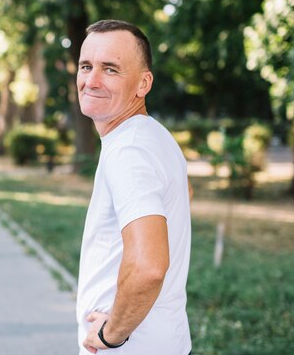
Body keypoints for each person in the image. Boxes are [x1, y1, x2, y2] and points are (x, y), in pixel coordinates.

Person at [75, 19, 192, 355]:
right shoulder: (152, 136)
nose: (92, 80)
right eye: (86, 66)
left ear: (143, 83)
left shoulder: (129, 150)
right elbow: (184, 194)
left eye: (110, 69)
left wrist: (111, 335)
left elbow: (148, 266)